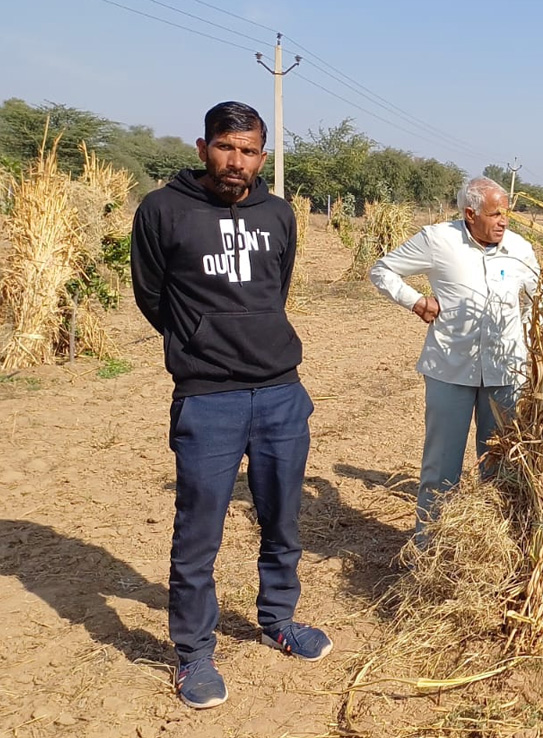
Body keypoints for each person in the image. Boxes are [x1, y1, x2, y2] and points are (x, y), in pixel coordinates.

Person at [131, 101, 331, 710]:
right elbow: (152, 295)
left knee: (282, 520)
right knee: (199, 531)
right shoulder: (163, 210)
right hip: (207, 398)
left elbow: (279, 286)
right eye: (225, 147)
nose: (235, 162)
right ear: (202, 148)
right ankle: (193, 653)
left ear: (262, 158)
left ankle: (277, 618)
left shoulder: (279, 213)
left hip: (280, 392)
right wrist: (200, 341)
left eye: (247, 151)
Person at [369, 176, 540, 540]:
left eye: (506, 213)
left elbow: (538, 300)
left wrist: (522, 341)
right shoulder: (438, 240)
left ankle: (496, 548)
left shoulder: (520, 249)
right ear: (470, 213)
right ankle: (428, 548)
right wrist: (415, 300)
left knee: (500, 465)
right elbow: (382, 270)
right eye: (495, 214)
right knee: (440, 468)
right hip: (449, 370)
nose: (503, 221)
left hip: (506, 374)